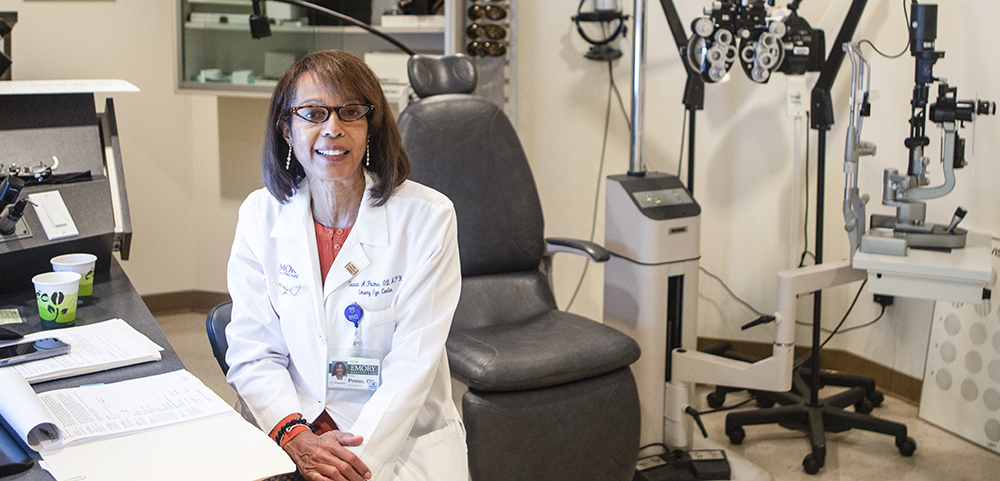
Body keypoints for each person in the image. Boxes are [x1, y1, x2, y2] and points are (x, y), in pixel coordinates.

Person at [225, 49, 467, 481]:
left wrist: (352, 464)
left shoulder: (429, 217)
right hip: (292, 431)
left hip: (395, 440)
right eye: (313, 113)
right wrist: (295, 436)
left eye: (350, 112)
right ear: (287, 129)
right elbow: (253, 350)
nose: (332, 129)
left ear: (369, 128)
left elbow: (412, 364)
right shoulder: (259, 215)